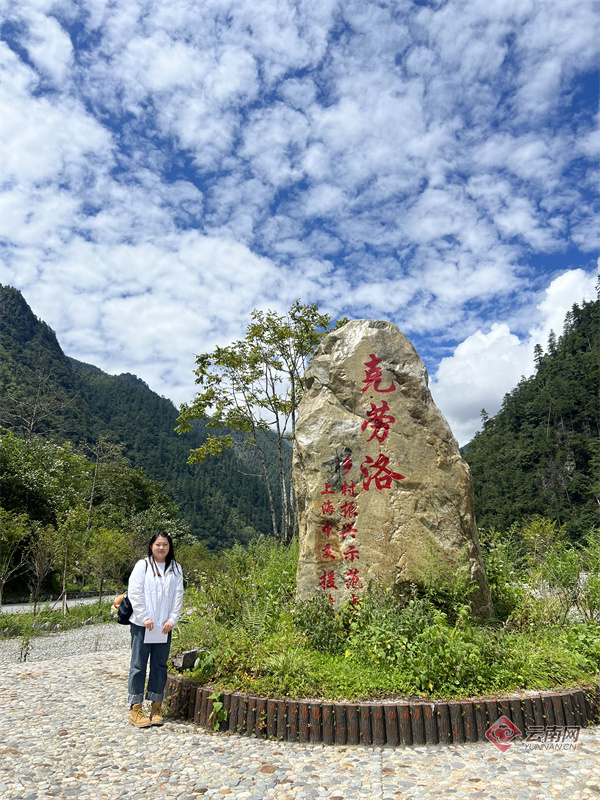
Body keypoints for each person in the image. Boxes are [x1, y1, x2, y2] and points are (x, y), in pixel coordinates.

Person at [126, 531, 184, 728]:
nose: (161, 548)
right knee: (138, 665)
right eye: (158, 544)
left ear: (170, 547)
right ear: (151, 546)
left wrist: (172, 619)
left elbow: (178, 595)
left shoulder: (176, 568)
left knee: (160, 666)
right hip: (143, 625)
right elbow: (134, 592)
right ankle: (136, 708)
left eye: (165, 544)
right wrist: (144, 617)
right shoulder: (142, 565)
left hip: (164, 627)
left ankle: (156, 706)